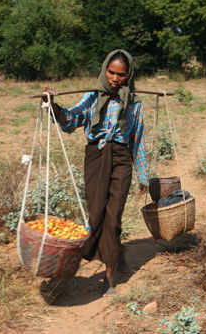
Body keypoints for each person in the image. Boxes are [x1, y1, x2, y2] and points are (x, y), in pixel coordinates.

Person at [42, 49, 148, 296]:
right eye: (111, 72)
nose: (114, 78)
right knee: (98, 212)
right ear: (104, 71)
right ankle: (116, 251)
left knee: (114, 216)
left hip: (121, 159)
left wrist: (143, 174)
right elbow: (71, 120)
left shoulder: (133, 103)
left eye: (121, 75)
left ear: (128, 75)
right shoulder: (92, 97)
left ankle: (109, 277)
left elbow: (138, 139)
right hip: (96, 158)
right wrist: (54, 106)